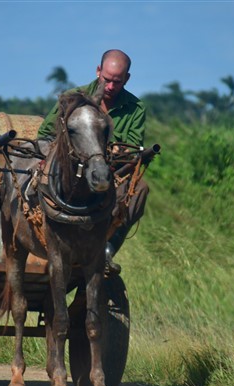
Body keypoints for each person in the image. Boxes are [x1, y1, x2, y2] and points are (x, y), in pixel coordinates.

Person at [37, 49, 149, 274]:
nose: (109, 87)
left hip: (111, 172)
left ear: (126, 79)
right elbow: (45, 134)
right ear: (98, 71)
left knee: (140, 189)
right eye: (106, 80)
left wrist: (112, 153)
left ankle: (108, 246)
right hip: (72, 171)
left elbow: (132, 147)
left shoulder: (136, 109)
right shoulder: (72, 98)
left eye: (117, 82)